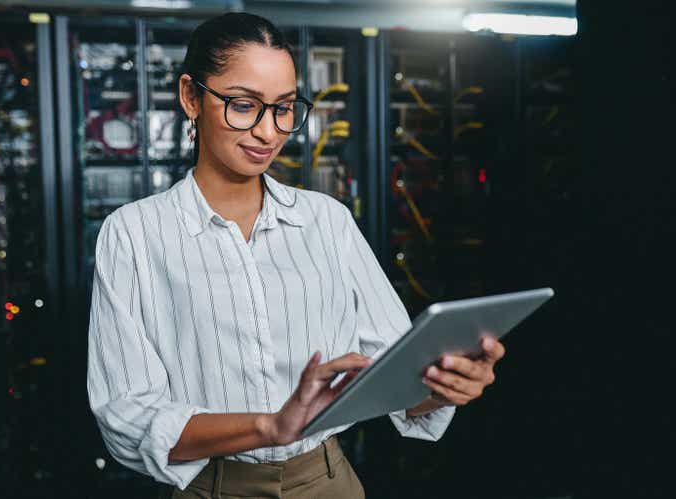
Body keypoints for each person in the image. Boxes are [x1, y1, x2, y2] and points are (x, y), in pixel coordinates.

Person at [87, 12, 505, 499]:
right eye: (244, 105)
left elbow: (390, 378)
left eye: (284, 108)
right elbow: (125, 416)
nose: (268, 132)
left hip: (328, 483)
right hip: (213, 489)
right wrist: (270, 426)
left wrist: (443, 385)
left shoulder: (326, 221)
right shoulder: (134, 234)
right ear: (190, 97)